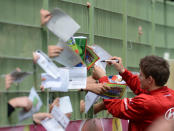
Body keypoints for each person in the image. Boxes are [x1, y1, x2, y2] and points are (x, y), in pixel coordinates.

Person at [86, 55, 174, 131]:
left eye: (141, 75)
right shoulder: (171, 94)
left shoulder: (145, 103)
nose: (138, 77)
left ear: (150, 80)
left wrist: (103, 79)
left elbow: (114, 107)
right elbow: (140, 86)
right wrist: (122, 71)